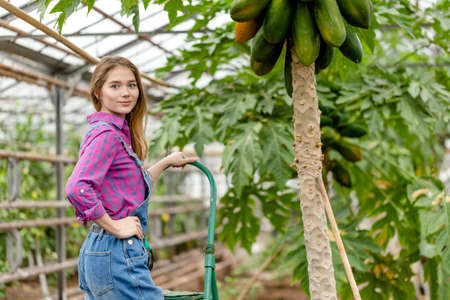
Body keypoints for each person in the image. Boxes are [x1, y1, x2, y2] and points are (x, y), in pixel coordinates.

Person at [65, 56, 198, 299]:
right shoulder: (108, 135)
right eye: (114, 86)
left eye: (131, 85)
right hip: (116, 254)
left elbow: (129, 188)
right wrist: (115, 226)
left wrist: (166, 162)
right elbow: (77, 187)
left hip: (99, 251)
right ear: (97, 92)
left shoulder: (110, 133)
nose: (125, 92)